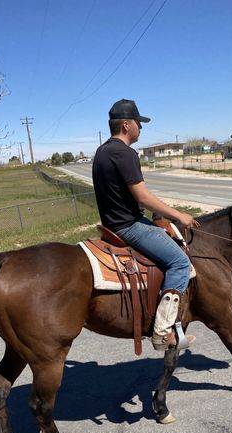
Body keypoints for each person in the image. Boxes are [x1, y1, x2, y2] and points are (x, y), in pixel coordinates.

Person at [92, 98, 199, 351]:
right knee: (180, 262)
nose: (141, 128)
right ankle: (163, 332)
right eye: (139, 123)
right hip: (128, 226)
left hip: (111, 223)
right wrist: (179, 215)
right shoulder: (124, 153)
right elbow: (143, 197)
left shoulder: (102, 151)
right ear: (127, 125)